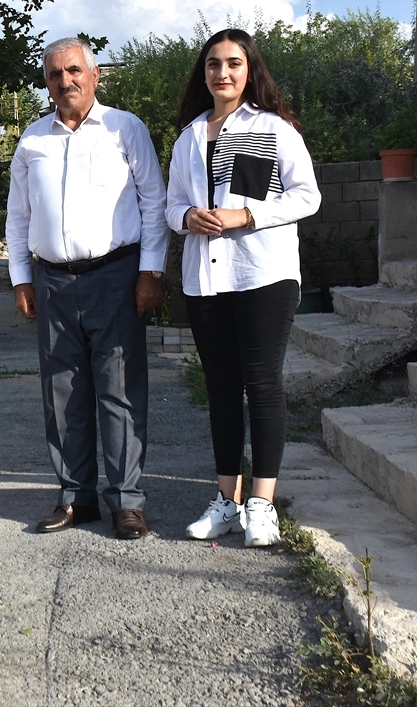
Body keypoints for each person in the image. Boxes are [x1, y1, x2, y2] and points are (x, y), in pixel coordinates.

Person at [6, 36, 168, 541]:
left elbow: (154, 202)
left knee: (119, 390)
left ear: (94, 75)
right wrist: (21, 278)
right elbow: (18, 216)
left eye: (74, 70)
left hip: (115, 277)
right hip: (52, 280)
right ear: (47, 83)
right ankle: (75, 497)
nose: (66, 81)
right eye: (55, 74)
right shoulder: (33, 140)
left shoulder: (125, 128)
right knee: (61, 395)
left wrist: (150, 272)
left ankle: (126, 501)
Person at [166, 28, 321, 547]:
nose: (223, 73)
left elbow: (307, 196)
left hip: (262, 275)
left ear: (249, 69)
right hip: (205, 280)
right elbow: (170, 205)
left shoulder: (274, 128)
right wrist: (187, 216)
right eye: (213, 64)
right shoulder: (189, 137)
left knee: (263, 383)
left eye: (234, 63)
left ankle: (262, 504)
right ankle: (226, 502)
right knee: (222, 389)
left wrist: (246, 214)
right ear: (204, 72)